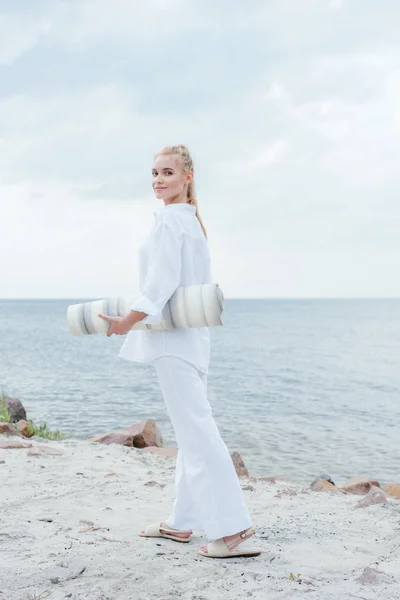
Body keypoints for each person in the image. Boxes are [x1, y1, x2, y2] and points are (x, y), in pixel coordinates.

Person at [99, 144, 260, 559]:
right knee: (192, 432)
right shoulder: (189, 222)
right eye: (154, 173)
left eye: (167, 173)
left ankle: (234, 529)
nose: (158, 180)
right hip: (192, 339)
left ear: (187, 177)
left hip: (173, 341)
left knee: (199, 433)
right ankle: (182, 522)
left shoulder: (171, 222)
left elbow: (161, 282)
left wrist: (127, 320)